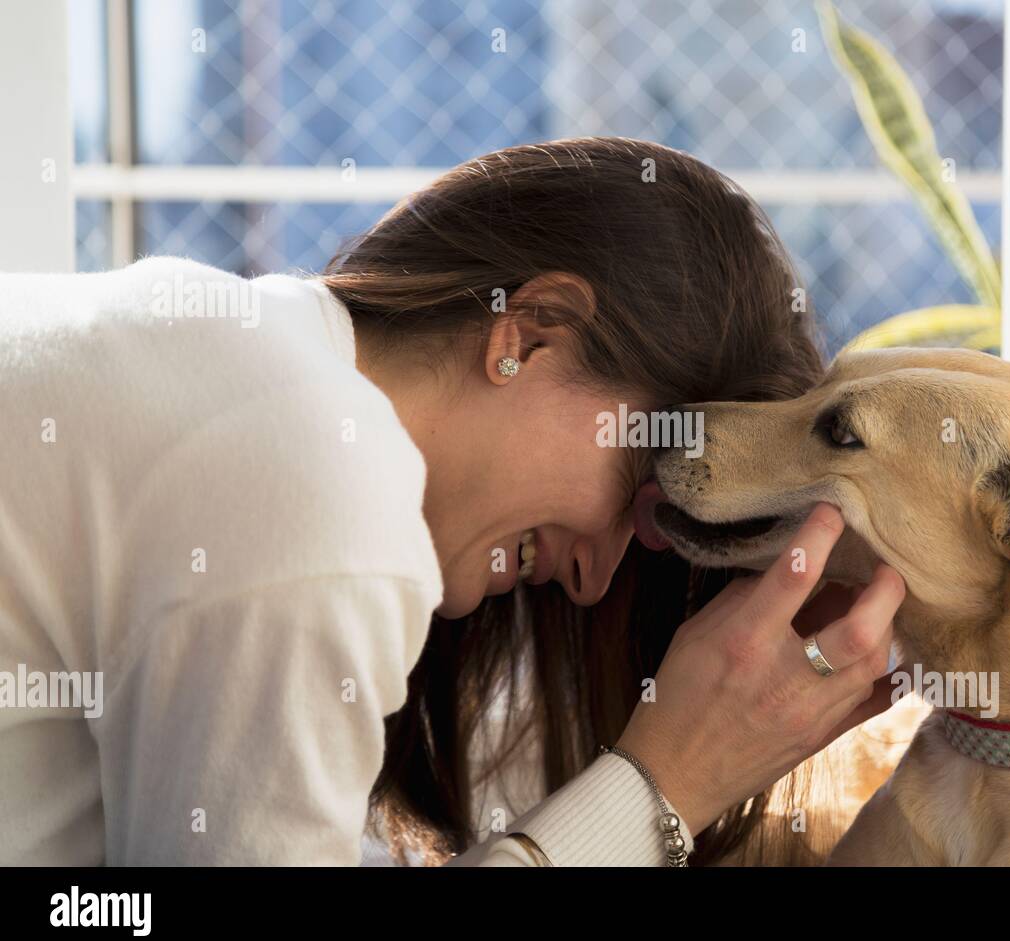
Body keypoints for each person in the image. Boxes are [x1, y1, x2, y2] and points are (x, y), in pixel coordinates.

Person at [0, 137, 903, 866]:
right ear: (532, 333)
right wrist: (664, 785)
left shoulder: (222, 346)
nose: (591, 584)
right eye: (638, 483)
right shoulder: (318, 488)